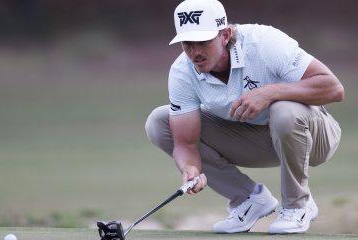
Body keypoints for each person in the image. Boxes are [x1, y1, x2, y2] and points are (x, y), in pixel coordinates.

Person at [145, 0, 344, 234]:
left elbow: (333, 88)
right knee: (159, 121)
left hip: (315, 138)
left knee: (282, 110)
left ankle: (297, 206)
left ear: (225, 34)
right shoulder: (182, 71)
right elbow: (186, 143)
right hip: (261, 142)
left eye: (203, 42)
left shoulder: (264, 42)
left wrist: (270, 93)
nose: (195, 52)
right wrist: (190, 168)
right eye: (187, 44)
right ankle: (248, 199)